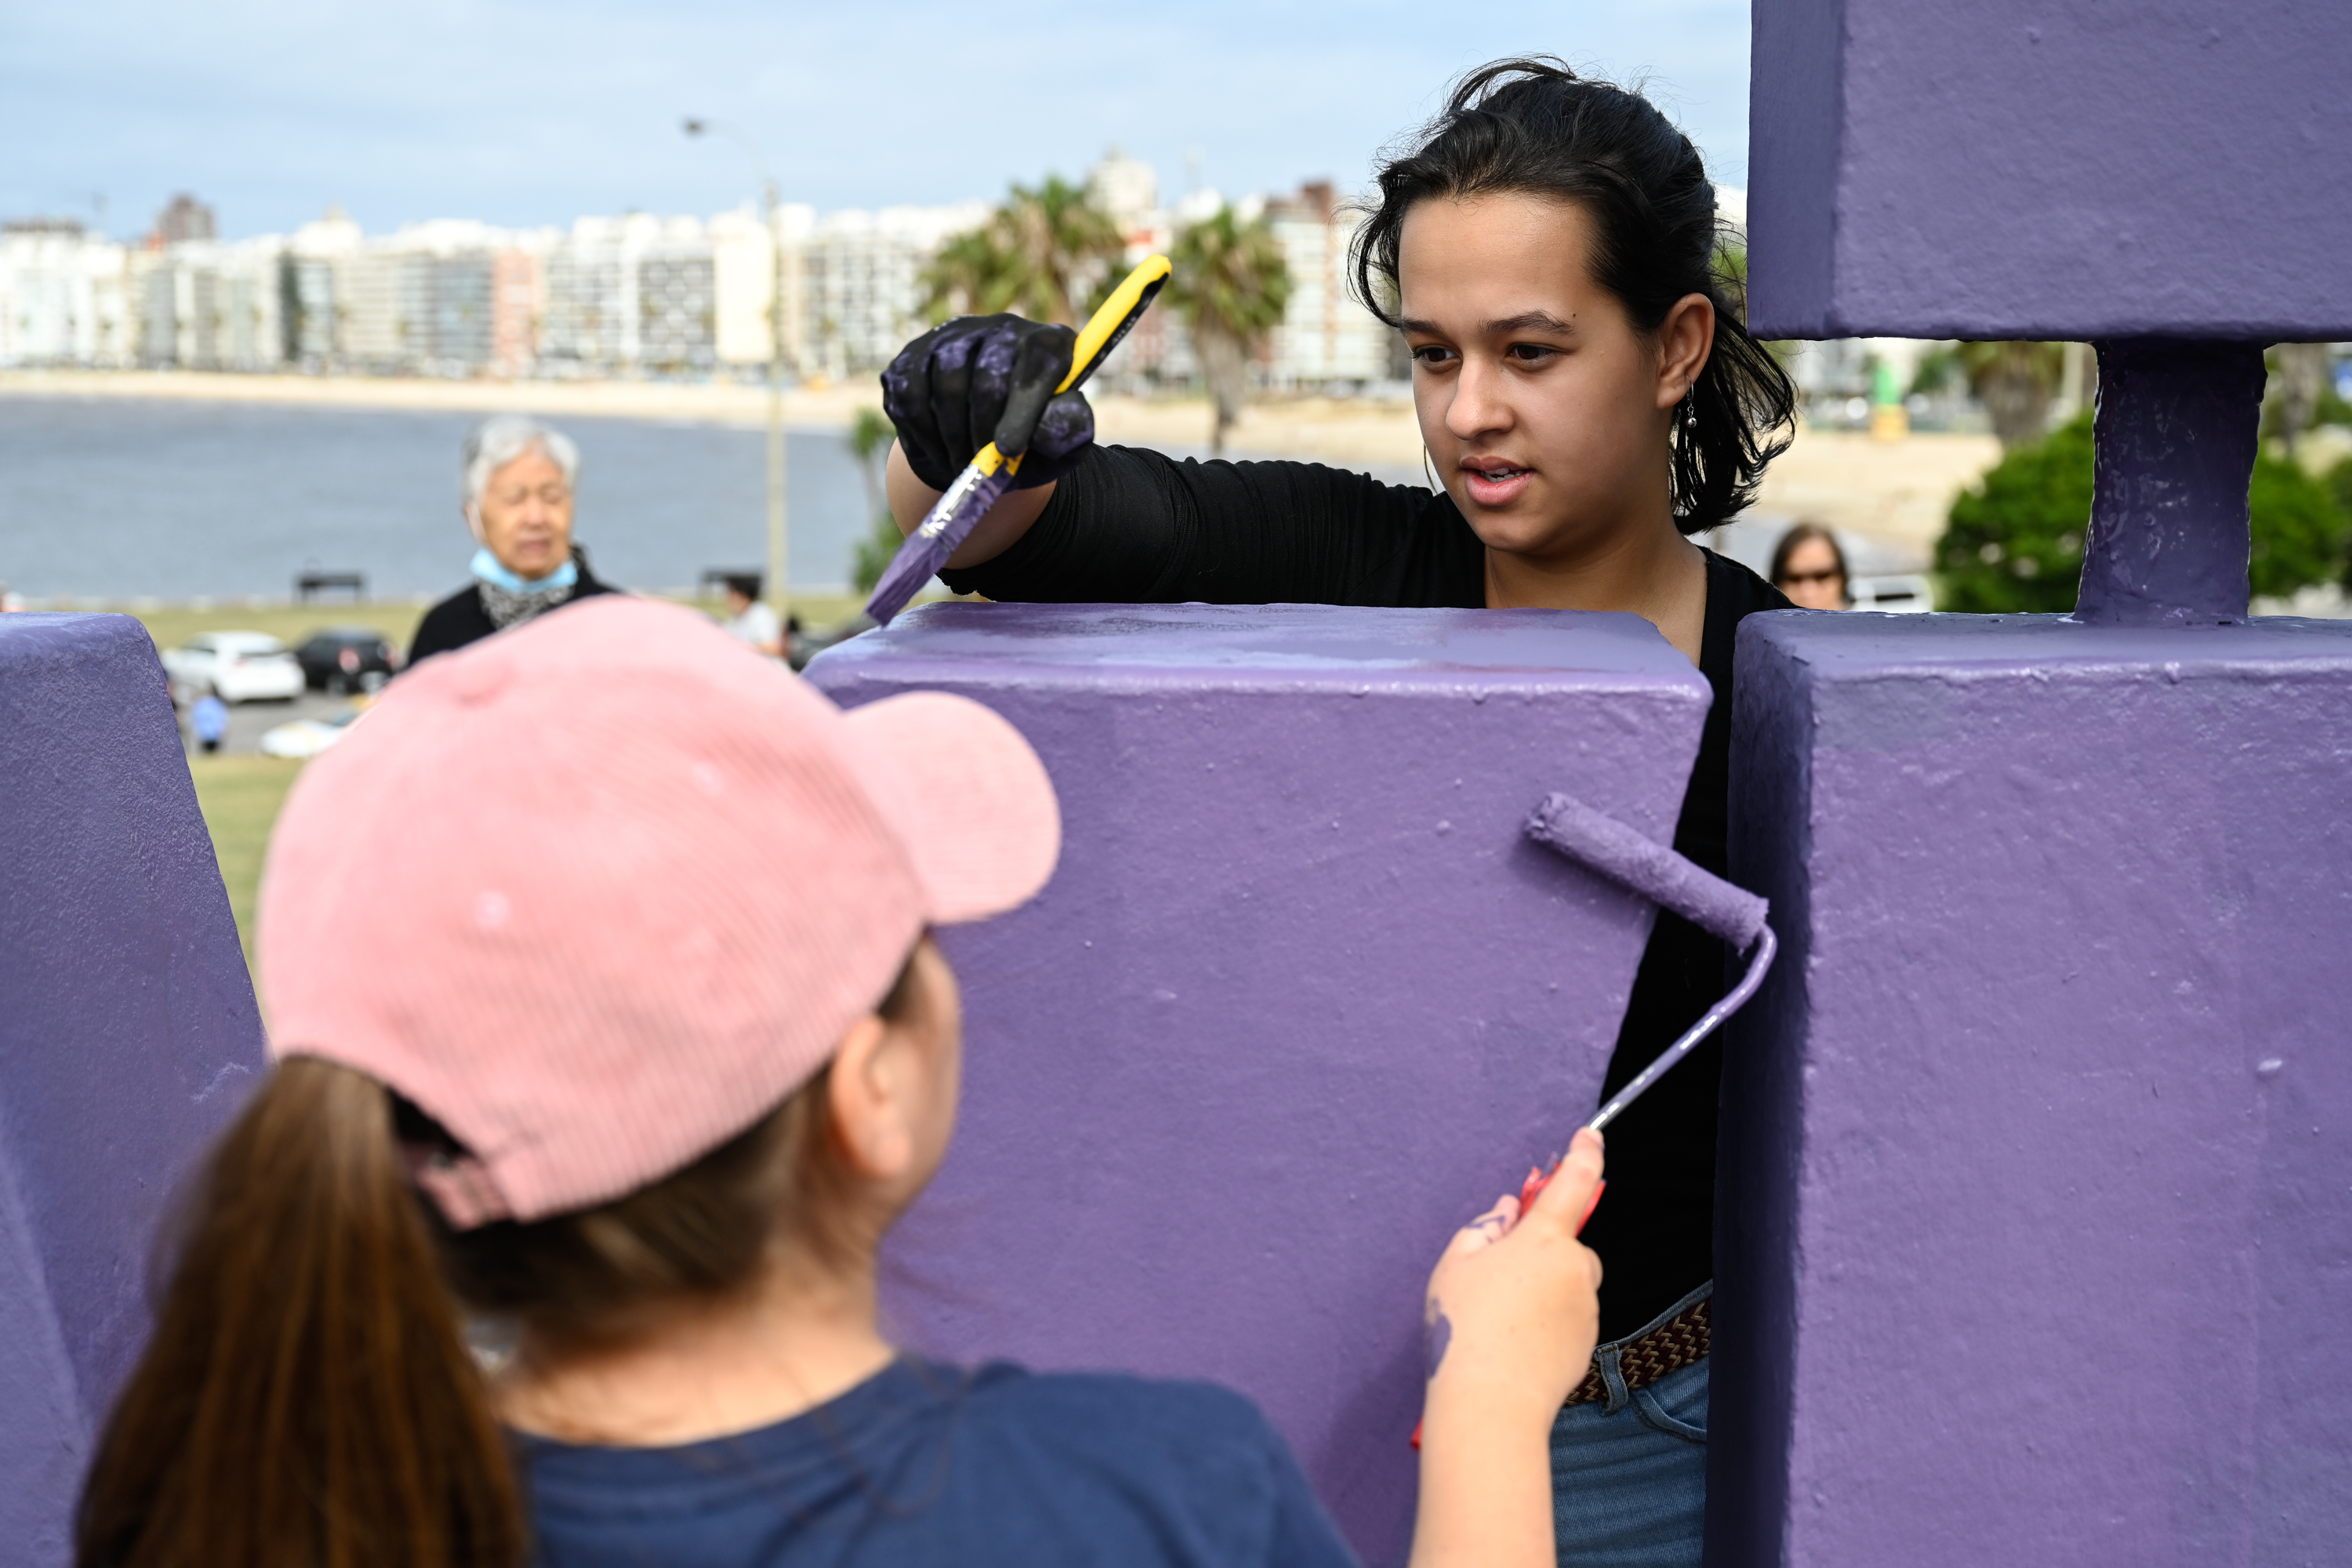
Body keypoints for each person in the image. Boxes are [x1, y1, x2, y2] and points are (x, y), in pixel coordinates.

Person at [77, 595, 1606, 1568]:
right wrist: (1491, 1399)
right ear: (865, 1093)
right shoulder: (1148, 1502)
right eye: (916, 937)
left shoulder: (281, 1509)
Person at [879, 58, 1794, 1565]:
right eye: (1432, 356)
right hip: (1314, 1393)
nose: (1472, 413)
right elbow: (1051, 532)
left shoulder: (1781, 698)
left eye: (1531, 350)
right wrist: (966, 429)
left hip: (1659, 1427)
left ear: (1676, 344)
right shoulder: (1357, 555)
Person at [408, 415, 619, 666]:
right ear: (472, 517)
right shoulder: (443, 632)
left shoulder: (618, 622)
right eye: (514, 499)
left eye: (551, 498)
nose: (535, 518)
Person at [1769, 522, 1849, 610]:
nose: (1808, 592)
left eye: (1822, 576)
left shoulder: (1864, 622)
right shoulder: (1757, 622)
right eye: (1795, 578)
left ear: (1842, 580)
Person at [717, 572, 786, 659]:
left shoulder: (760, 614)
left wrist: (738, 648)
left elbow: (772, 647)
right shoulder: (734, 617)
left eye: (731, 593)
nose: (727, 598)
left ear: (743, 595)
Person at [189, 691, 228, 755]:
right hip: (207, 733)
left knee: (212, 753)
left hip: (212, 733)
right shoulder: (213, 704)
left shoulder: (202, 705)